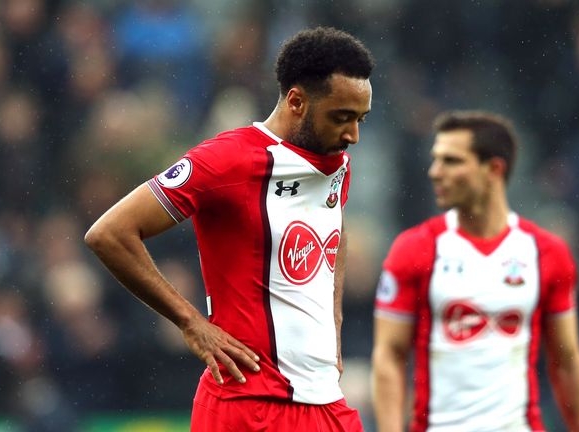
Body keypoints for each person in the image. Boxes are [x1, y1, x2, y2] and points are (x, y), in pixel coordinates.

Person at [85, 27, 373, 431]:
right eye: (341, 118)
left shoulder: (336, 165)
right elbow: (109, 233)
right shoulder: (228, 160)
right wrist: (190, 322)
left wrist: (334, 320)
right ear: (296, 101)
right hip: (248, 404)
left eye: (360, 119)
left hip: (325, 405)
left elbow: (332, 232)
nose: (353, 135)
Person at [371, 111, 579, 432]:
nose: (435, 172)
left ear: (494, 169)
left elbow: (567, 362)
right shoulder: (414, 249)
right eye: (435, 160)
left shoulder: (547, 253)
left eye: (452, 161)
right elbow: (389, 356)